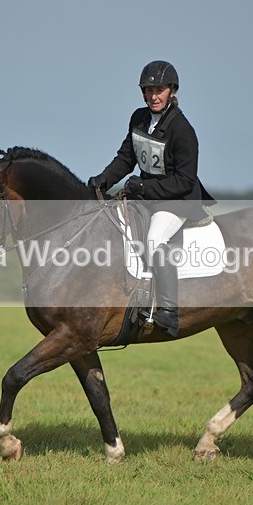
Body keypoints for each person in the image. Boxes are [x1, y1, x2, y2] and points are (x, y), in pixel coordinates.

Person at [88, 60, 215, 337]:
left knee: (155, 240)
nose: (153, 96)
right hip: (147, 197)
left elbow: (185, 181)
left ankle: (169, 310)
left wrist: (143, 187)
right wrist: (103, 179)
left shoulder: (182, 130)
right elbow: (126, 158)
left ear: (172, 91)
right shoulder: (139, 118)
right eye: (148, 90)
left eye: (159, 90)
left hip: (178, 200)